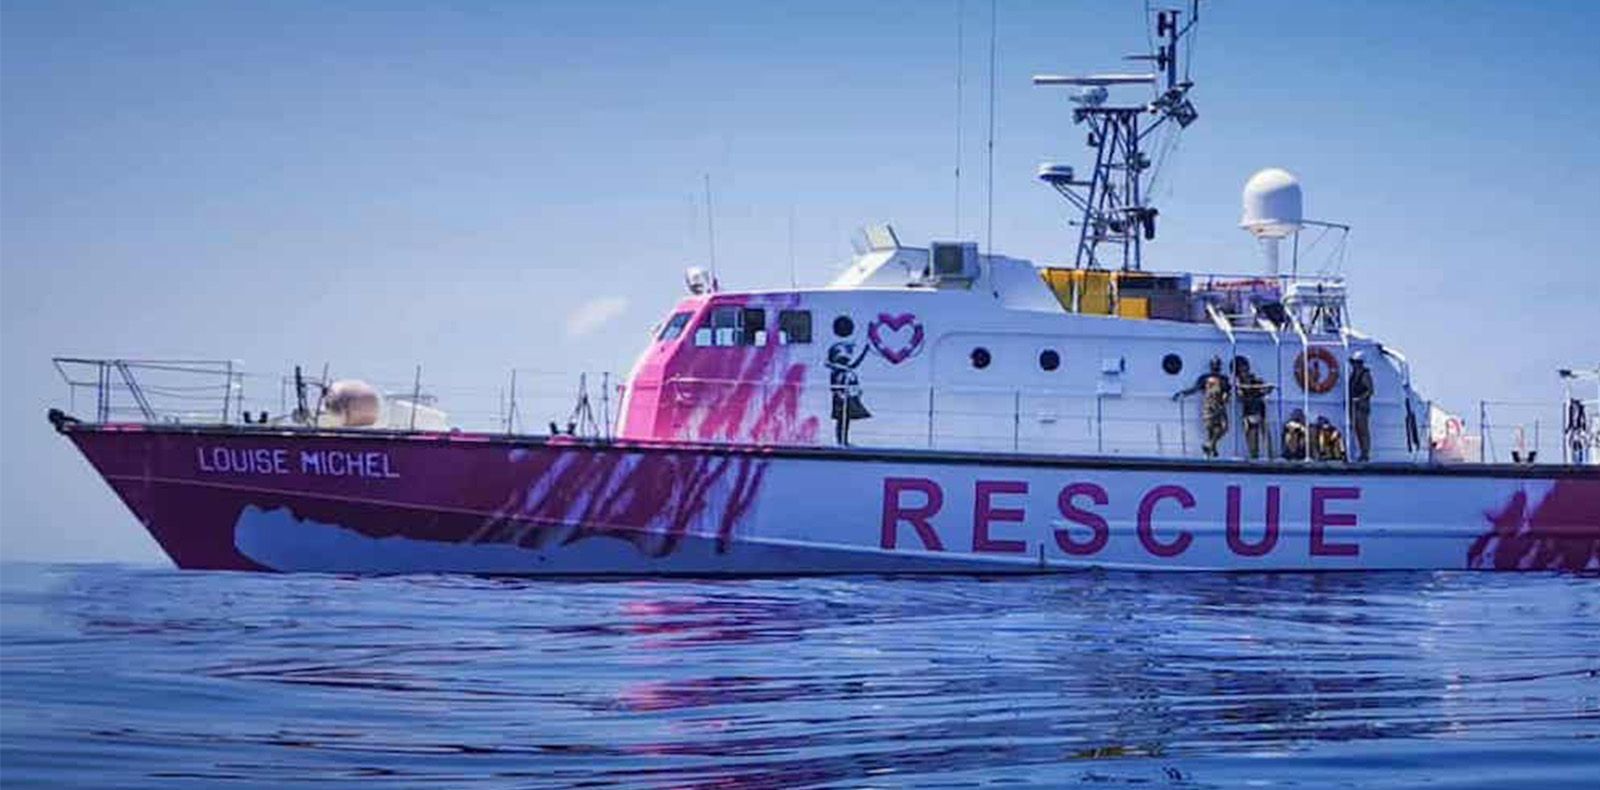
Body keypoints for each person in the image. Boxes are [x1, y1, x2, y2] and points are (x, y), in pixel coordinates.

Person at [1174, 356, 1232, 458]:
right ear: (1211, 365)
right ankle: (1210, 452)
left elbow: (1227, 391)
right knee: (1210, 429)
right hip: (1209, 405)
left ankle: (1209, 445)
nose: (1216, 366)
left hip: (1220, 405)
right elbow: (1195, 389)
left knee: (1224, 427)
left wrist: (1226, 397)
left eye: (1217, 364)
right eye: (1214, 364)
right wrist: (1182, 393)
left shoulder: (1224, 378)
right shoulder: (1205, 378)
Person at [827, 341, 870, 445]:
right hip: (840, 399)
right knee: (841, 420)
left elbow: (855, 364)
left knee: (846, 421)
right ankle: (840, 441)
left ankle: (844, 441)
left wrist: (865, 351)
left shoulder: (845, 370)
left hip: (847, 398)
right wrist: (839, 394)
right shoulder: (836, 371)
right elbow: (834, 386)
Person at [1233, 356, 1276, 459]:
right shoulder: (1238, 384)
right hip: (1248, 414)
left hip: (1261, 412)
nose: (1244, 372)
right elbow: (1239, 396)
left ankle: (1271, 458)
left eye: (1245, 369)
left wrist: (1267, 389)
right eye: (1241, 370)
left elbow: (1265, 390)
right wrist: (1240, 388)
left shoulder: (1256, 381)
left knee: (1266, 435)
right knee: (1252, 437)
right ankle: (1254, 457)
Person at [1348, 350, 1375, 462]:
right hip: (1354, 406)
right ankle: (1361, 453)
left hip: (1361, 407)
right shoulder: (1354, 374)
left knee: (1363, 430)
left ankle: (1365, 453)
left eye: (1356, 362)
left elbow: (1370, 390)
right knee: (1357, 430)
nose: (1354, 365)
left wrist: (1359, 399)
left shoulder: (1365, 374)